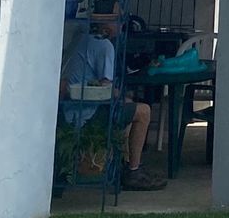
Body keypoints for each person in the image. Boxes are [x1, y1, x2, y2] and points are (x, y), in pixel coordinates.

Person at [60, 19, 166, 190]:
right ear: (107, 25)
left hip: (69, 107)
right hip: (89, 110)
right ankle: (134, 170)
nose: (121, 26)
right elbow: (106, 87)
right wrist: (123, 97)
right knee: (143, 111)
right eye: (119, 22)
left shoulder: (78, 39)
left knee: (130, 108)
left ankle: (124, 163)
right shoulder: (104, 46)